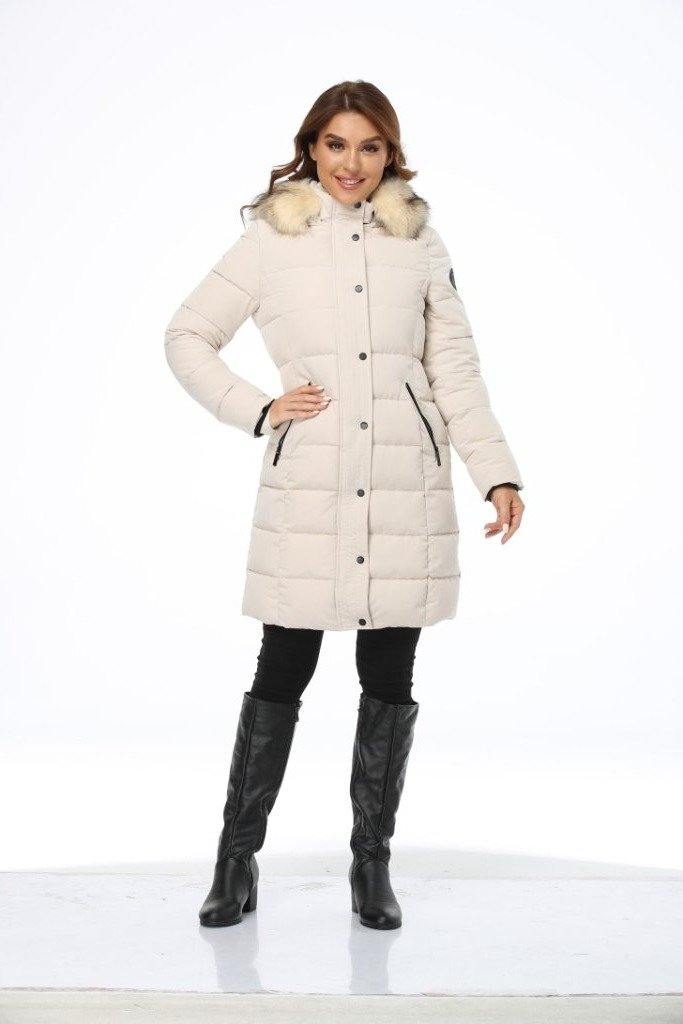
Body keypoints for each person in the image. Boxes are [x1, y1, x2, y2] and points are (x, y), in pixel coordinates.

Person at [164, 80, 525, 931]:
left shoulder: (419, 241)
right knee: (281, 671)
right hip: (309, 488)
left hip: (404, 488)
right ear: (310, 148)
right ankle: (234, 860)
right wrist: (258, 408)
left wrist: (496, 473)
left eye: (368, 146)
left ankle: (371, 863)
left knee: (388, 677)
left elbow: (454, 371)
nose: (350, 163)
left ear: (389, 153)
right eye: (334, 144)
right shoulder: (270, 239)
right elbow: (186, 336)